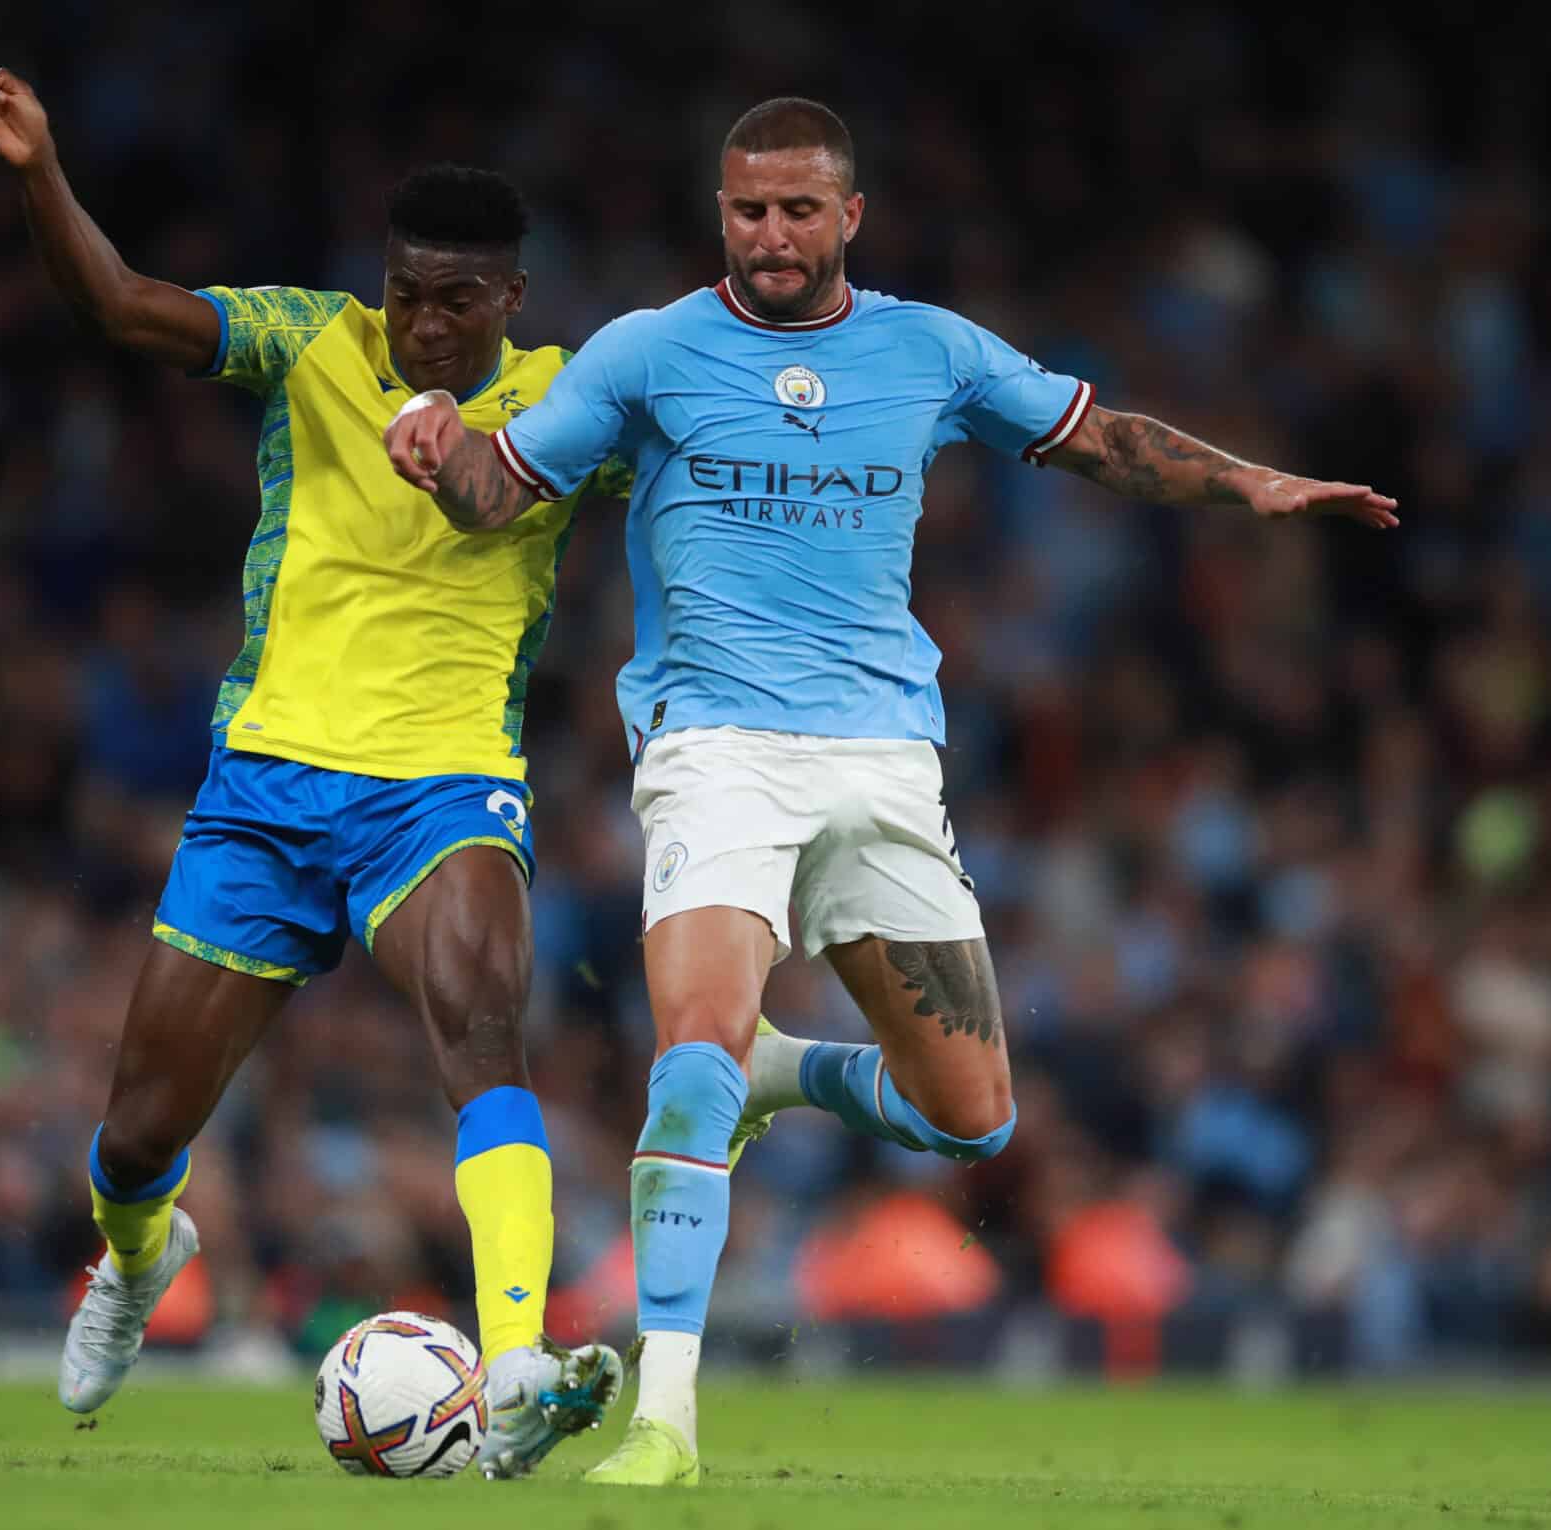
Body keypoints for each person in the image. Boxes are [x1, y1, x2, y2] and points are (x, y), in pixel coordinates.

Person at [384, 96, 1398, 1486]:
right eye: (750, 209)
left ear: (849, 214)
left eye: (800, 209)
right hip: (715, 751)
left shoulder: (931, 350)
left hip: (882, 762)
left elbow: (1099, 437)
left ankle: (777, 1073)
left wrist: (1259, 487)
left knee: (973, 1116)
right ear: (721, 213)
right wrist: (442, 454)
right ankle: (664, 1421)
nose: (773, 234)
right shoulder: (650, 351)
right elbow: (504, 489)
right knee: (688, 1050)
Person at [0, 42, 627, 1477]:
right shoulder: (308, 339)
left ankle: (513, 1367)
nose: (424, 325)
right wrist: (43, 172)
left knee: (484, 1021)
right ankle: (138, 1257)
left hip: (443, 786)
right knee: (135, 1133)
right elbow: (125, 307)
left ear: (510, 297)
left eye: (456, 300)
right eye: (406, 293)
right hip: (263, 786)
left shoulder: (571, 395)